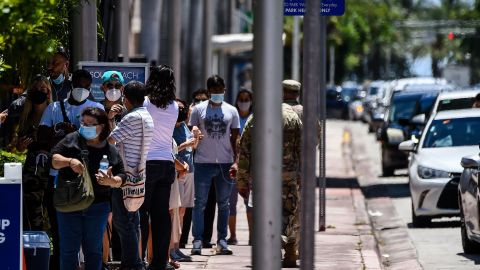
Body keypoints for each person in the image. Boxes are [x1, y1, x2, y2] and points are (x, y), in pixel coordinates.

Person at [39, 69, 104, 270]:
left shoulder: (96, 107)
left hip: (88, 181)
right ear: (71, 84)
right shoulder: (55, 107)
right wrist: (62, 135)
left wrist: (72, 131)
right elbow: (42, 137)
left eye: (86, 85)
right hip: (60, 180)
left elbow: (102, 140)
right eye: (78, 84)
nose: (81, 89)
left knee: (91, 239)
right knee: (62, 234)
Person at [51, 107, 126, 270]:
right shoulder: (71, 139)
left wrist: (112, 181)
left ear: (103, 126)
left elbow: (122, 176)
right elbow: (54, 160)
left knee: (93, 251)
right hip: (69, 204)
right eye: (83, 123)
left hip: (98, 206)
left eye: (91, 124)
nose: (85, 127)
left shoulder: (110, 149)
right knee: (68, 250)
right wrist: (69, 161)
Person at [236, 103, 303, 268]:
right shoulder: (293, 116)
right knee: (290, 211)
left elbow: (244, 150)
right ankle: (290, 252)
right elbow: (302, 148)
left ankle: (275, 241)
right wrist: (302, 173)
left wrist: (242, 180)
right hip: (288, 173)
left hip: (263, 175)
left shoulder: (256, 117)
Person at [189, 75, 240, 255]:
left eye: (220, 90)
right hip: (203, 162)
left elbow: (236, 137)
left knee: (224, 204)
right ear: (209, 91)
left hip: (225, 163)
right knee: (199, 203)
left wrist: (236, 161)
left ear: (224, 90)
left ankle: (222, 240)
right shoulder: (198, 110)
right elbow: (192, 134)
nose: (217, 93)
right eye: (214, 91)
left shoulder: (232, 111)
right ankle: (197, 239)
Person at [107, 81, 154, 270]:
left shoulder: (132, 118)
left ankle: (132, 265)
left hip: (125, 176)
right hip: (138, 175)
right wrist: (112, 120)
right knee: (133, 221)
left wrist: (110, 119)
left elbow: (111, 140)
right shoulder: (146, 116)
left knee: (123, 222)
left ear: (126, 98)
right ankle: (135, 262)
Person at [140, 65, 178, 270]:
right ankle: (160, 261)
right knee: (161, 214)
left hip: (148, 163)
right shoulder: (174, 106)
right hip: (167, 162)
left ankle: (141, 258)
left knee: (142, 213)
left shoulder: (145, 103)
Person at [11, 76, 53, 230]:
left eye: (43, 89)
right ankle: (37, 246)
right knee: (32, 210)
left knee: (52, 209)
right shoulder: (25, 117)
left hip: (52, 167)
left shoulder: (55, 113)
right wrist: (21, 145)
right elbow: (19, 147)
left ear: (48, 93)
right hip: (32, 170)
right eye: (36, 89)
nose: (39, 92)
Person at [226, 88, 253, 245]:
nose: (244, 102)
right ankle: (233, 236)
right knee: (231, 202)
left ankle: (251, 236)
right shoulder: (233, 117)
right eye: (241, 99)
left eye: (246, 99)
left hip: (249, 168)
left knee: (250, 203)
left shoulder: (255, 118)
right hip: (233, 165)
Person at [171, 99, 196, 262]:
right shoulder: (170, 127)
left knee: (182, 212)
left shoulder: (185, 126)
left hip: (190, 172)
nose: (181, 110)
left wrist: (196, 138)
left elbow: (192, 147)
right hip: (178, 172)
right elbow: (171, 150)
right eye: (178, 108)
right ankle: (171, 248)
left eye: (183, 108)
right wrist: (185, 144)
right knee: (175, 211)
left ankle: (177, 246)